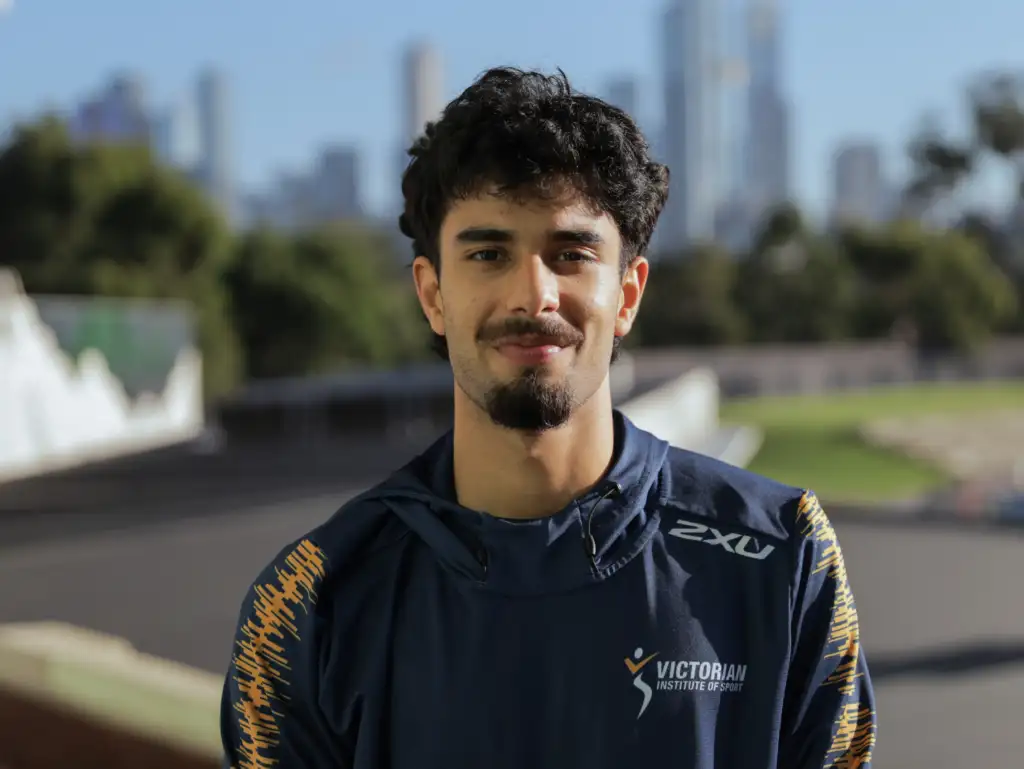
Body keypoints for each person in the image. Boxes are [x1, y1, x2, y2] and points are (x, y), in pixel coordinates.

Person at [220, 66, 876, 768]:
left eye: (570, 254)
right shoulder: (308, 603)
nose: (534, 294)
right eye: (488, 253)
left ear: (627, 293)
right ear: (433, 293)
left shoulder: (782, 559)